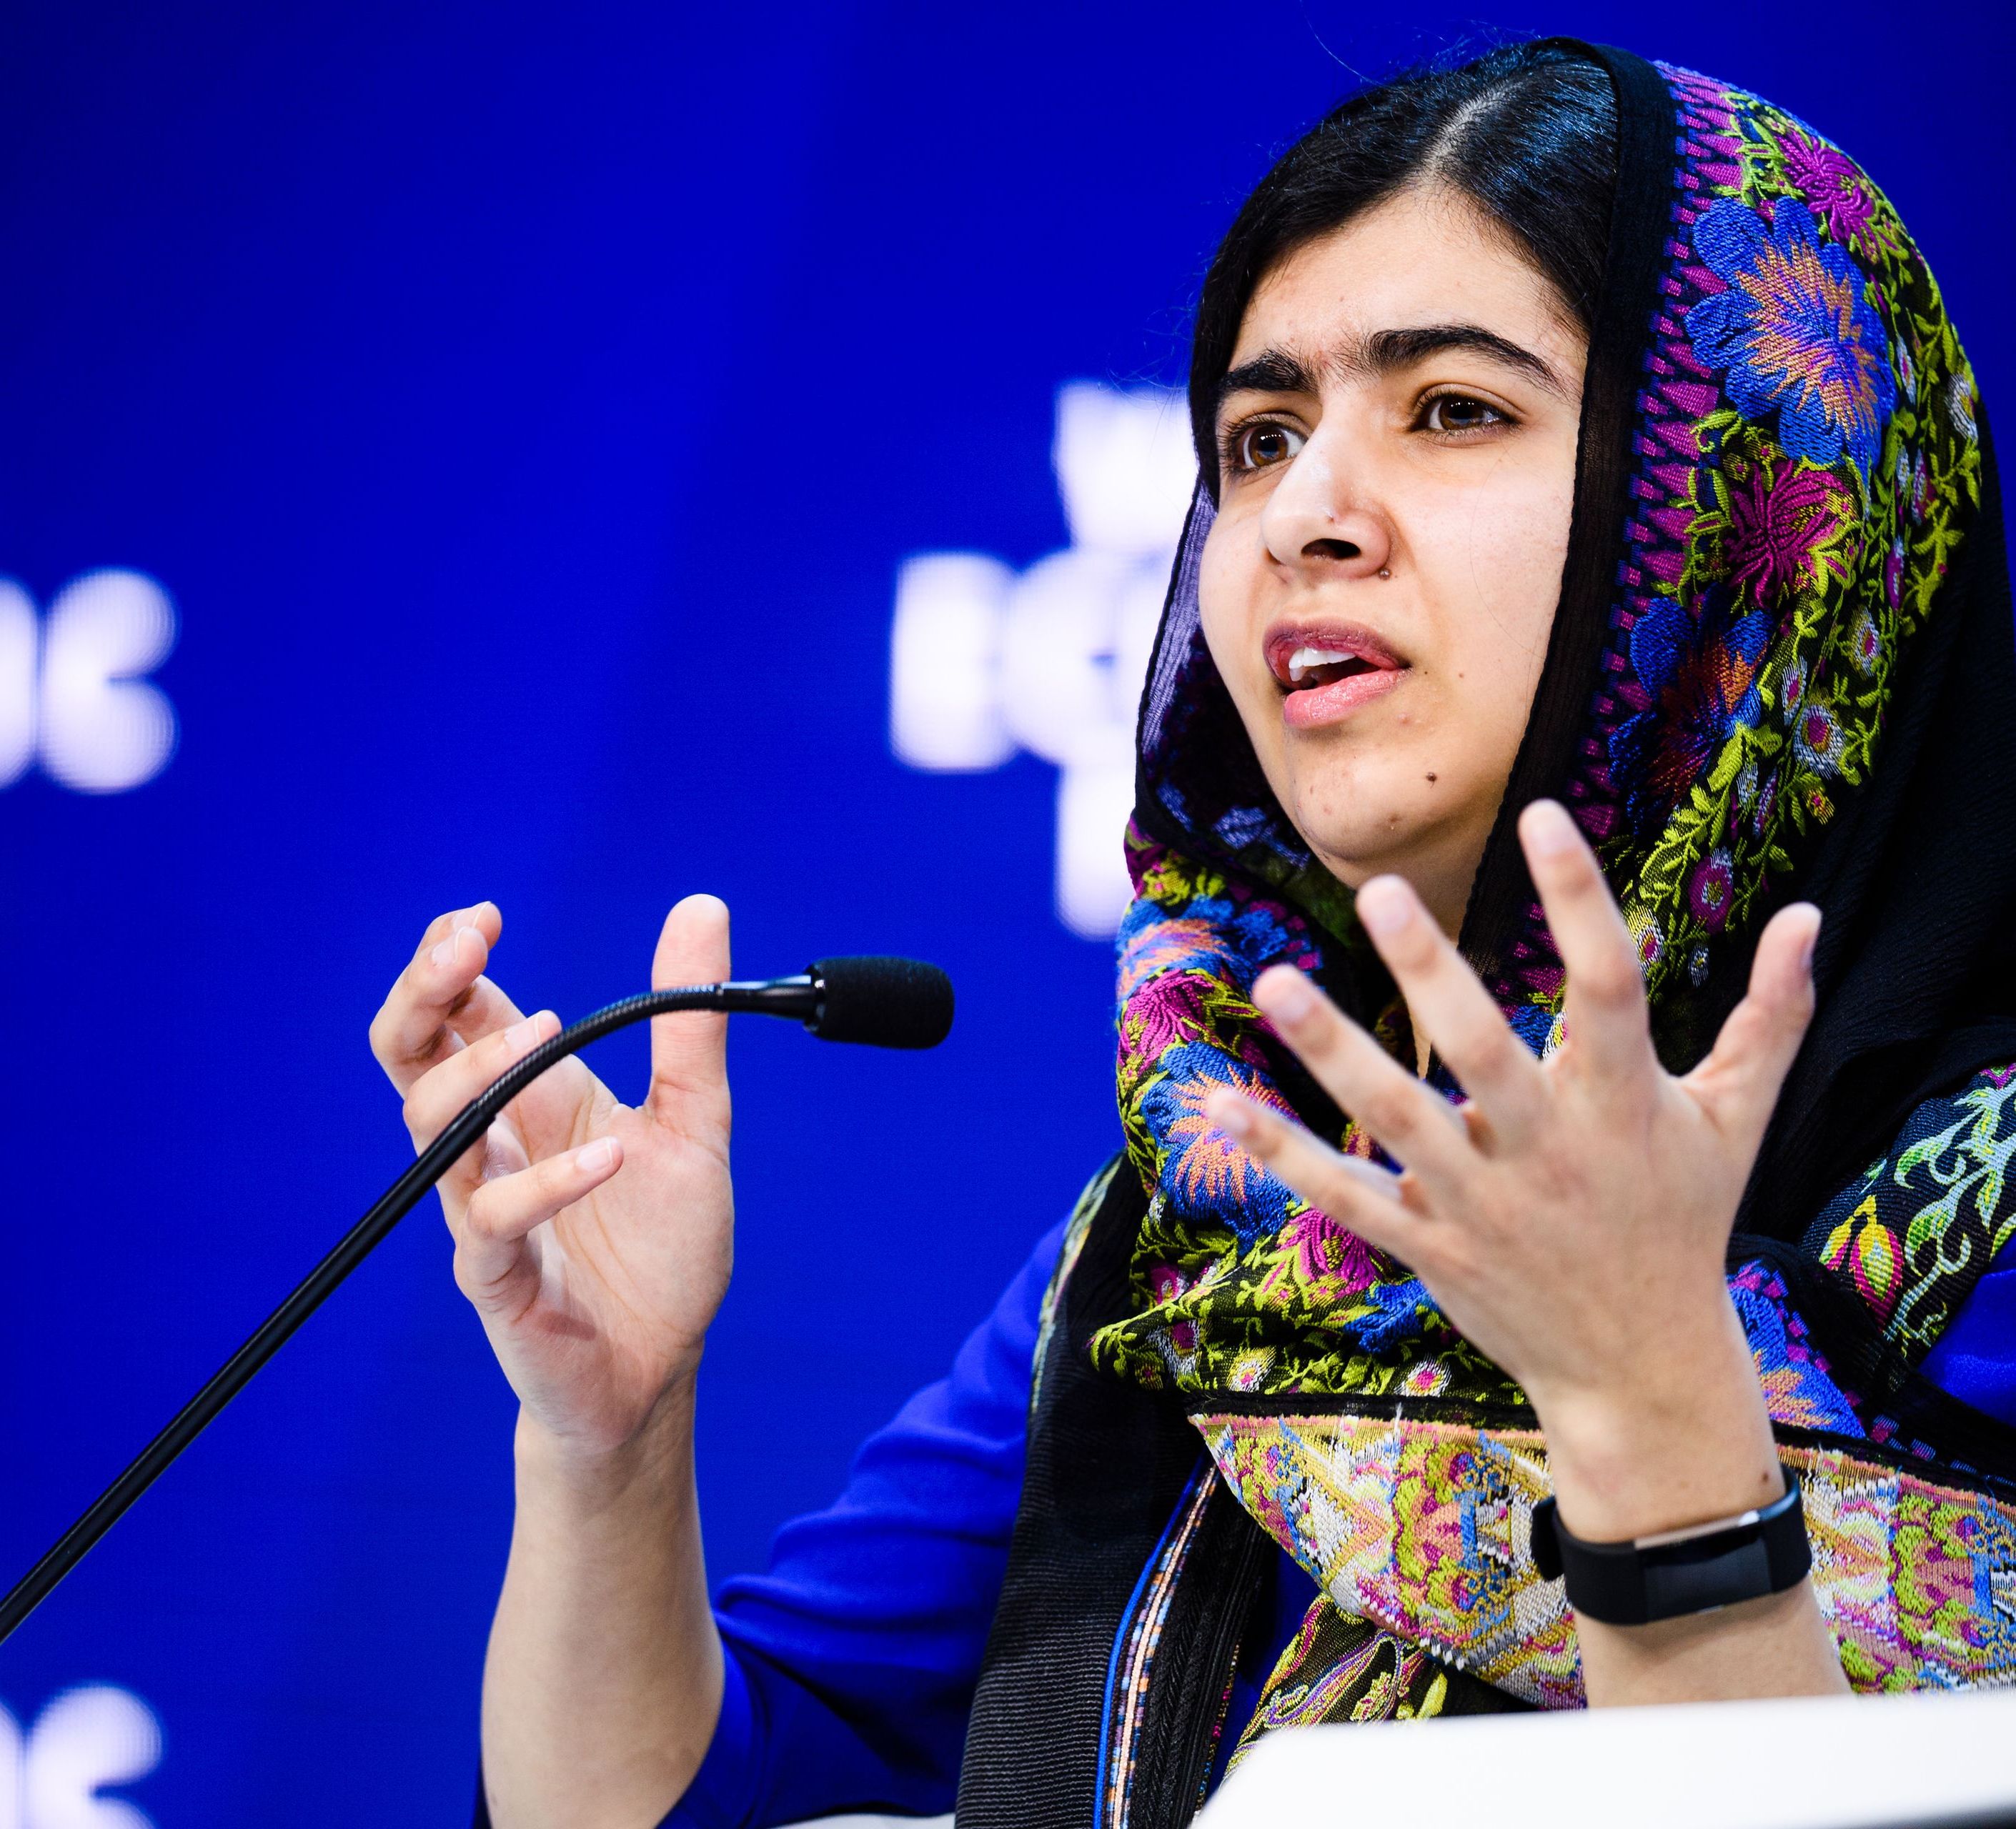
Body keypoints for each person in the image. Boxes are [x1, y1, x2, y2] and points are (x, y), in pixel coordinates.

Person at [367, 37, 2016, 1829]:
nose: (1304, 514)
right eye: (1259, 436)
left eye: (1453, 410)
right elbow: (684, 1799)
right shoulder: (1224, 1211)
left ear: (1770, 507)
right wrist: (607, 1442)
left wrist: (1652, 1408)